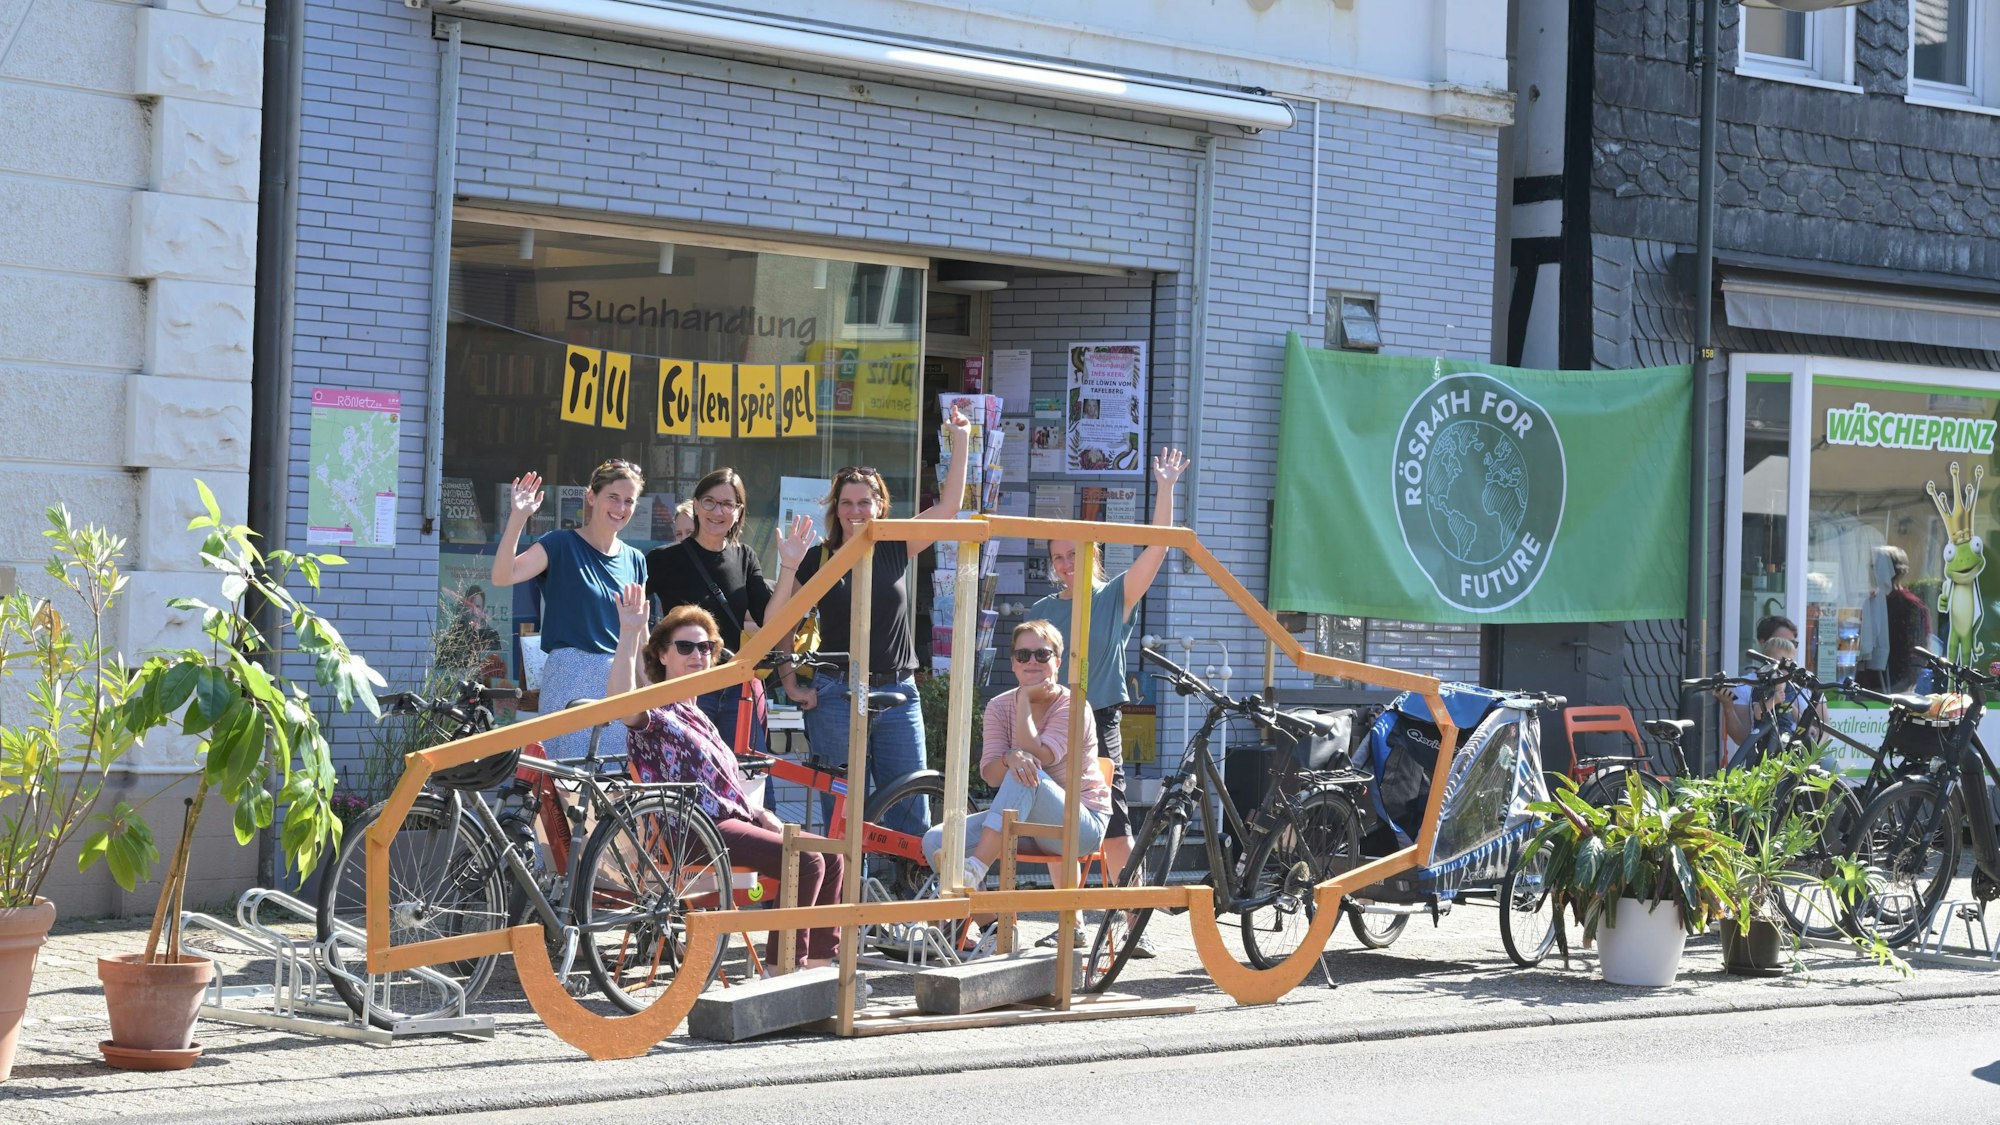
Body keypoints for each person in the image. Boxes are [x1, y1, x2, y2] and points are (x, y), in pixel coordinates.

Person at [767, 404, 975, 837]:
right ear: (835, 508)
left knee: (911, 811)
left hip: (898, 691)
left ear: (881, 506)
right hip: (836, 693)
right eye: (847, 503)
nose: (855, 510)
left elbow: (949, 507)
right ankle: (849, 882)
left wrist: (961, 439)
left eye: (865, 501)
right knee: (843, 815)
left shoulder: (896, 543)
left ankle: (907, 881)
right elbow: (780, 622)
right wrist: (791, 684)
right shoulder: (818, 557)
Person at [609, 590, 844, 968]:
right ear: (663, 655)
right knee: (806, 861)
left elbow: (722, 786)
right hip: (689, 832)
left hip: (724, 825)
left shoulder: (697, 715)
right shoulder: (658, 710)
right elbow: (622, 703)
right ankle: (782, 973)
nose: (697, 655)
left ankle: (819, 970)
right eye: (685, 647)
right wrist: (630, 633)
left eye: (705, 648)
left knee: (831, 855)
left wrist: (758, 812)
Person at [1026, 446, 1186, 957]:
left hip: (1099, 718)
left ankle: (1131, 921)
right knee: (1056, 822)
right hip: (1053, 721)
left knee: (1113, 821)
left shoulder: (1113, 596)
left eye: (1073, 555)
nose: (1065, 565)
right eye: (1057, 558)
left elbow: (1158, 549)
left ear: (1092, 553)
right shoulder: (1043, 609)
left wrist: (1165, 489)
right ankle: (1069, 922)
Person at [921, 620, 1110, 893]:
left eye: (1042, 654)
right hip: (1025, 823)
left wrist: (1023, 700)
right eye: (1023, 655)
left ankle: (976, 867)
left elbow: (1039, 756)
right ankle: (987, 917)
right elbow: (991, 776)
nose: (1032, 661)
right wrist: (1009, 757)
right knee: (936, 840)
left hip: (1081, 828)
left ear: (1057, 662)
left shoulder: (1073, 705)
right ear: (1013, 663)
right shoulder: (998, 706)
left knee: (1025, 771)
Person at [491, 460, 647, 759]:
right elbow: (502, 575)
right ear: (591, 497)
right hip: (570, 676)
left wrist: (652, 688)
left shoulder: (635, 559)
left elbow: (640, 634)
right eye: (613, 497)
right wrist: (518, 517)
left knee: (616, 777)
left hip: (622, 680)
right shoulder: (560, 544)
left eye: (629, 501)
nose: (621, 508)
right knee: (567, 776)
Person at [647, 468, 772, 754]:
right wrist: (644, 671)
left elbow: (768, 619)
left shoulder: (745, 556)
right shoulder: (664, 558)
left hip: (734, 687)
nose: (718, 511)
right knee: (688, 773)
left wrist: (789, 566)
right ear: (695, 505)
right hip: (685, 686)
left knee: (748, 772)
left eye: (727, 504)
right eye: (709, 502)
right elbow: (632, 612)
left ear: (738, 512)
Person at [1716, 614, 1826, 766]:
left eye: (1790, 666)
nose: (1786, 671)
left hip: (1789, 740)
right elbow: (1758, 712)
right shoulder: (1761, 687)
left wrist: (1807, 727)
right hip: (1767, 739)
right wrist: (1773, 700)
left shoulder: (1791, 688)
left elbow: (1794, 712)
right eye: (1781, 665)